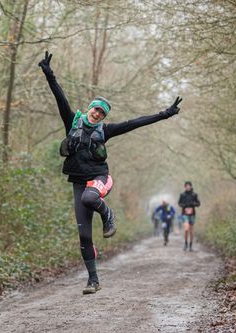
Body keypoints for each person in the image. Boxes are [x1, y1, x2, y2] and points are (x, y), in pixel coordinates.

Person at [39, 51, 182, 294]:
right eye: (95, 110)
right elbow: (59, 97)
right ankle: (93, 280)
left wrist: (164, 114)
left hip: (99, 179)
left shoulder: (106, 131)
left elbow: (136, 122)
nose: (97, 114)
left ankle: (108, 216)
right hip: (78, 181)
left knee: (90, 197)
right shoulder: (72, 121)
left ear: (104, 117)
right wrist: (49, 74)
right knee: (84, 235)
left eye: (101, 113)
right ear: (90, 108)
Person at [178, 181, 200, 251]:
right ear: (185, 187)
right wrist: (183, 205)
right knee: (186, 228)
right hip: (184, 213)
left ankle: (190, 245)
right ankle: (185, 244)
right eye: (186, 186)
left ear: (190, 186)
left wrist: (193, 204)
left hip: (192, 214)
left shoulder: (194, 194)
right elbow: (179, 203)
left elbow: (198, 203)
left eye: (189, 186)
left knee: (191, 230)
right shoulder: (182, 194)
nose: (187, 187)